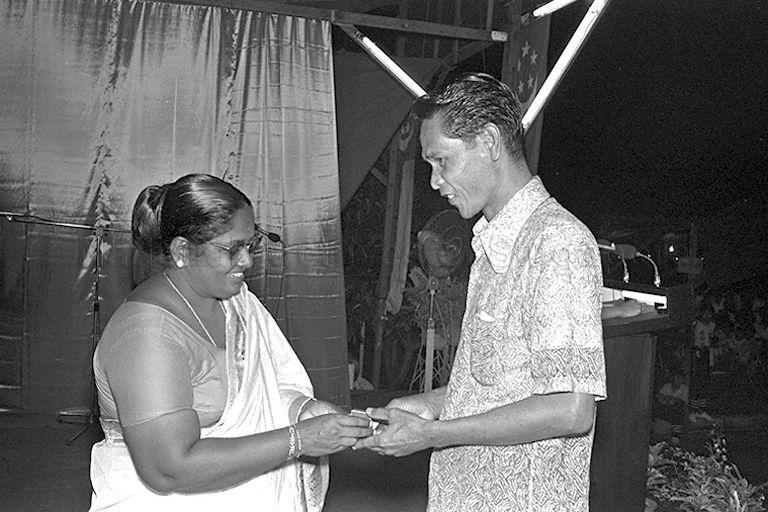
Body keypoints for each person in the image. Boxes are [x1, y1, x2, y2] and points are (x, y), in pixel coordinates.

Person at [356, 73, 606, 511]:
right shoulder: (492, 244)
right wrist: (429, 405)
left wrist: (432, 434)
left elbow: (570, 408)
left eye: (441, 161)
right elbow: (502, 388)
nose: (434, 181)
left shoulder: (556, 242)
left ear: (488, 142)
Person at [89, 174, 371, 511]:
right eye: (232, 249)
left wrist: (303, 410)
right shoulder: (145, 337)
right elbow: (168, 470)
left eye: (251, 244)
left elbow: (271, 385)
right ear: (182, 251)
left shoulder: (237, 303)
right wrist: (298, 439)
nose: (247, 261)